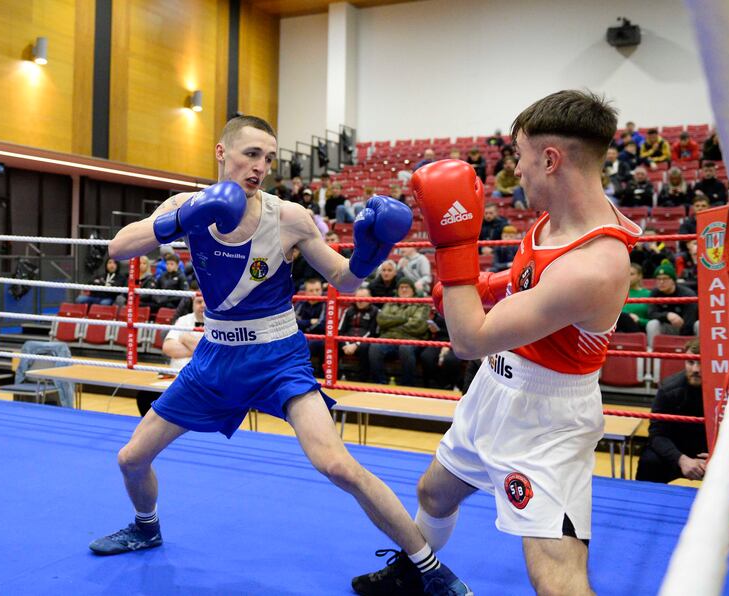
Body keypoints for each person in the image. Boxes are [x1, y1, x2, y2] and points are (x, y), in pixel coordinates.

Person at [94, 115, 470, 595]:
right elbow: (118, 248)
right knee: (131, 458)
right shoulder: (187, 206)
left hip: (278, 358)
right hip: (214, 359)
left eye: (269, 158)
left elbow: (347, 282)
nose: (261, 167)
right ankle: (145, 527)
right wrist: (185, 217)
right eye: (251, 154)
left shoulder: (288, 216)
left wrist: (370, 252)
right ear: (221, 153)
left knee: (336, 464)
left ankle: (429, 568)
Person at [353, 90, 642, 596]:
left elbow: (468, 339)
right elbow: (523, 284)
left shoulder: (595, 264)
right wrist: (481, 285)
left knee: (555, 576)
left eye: (520, 157)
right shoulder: (555, 219)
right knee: (434, 493)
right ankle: (417, 576)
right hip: (495, 388)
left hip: (546, 420)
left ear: (550, 159)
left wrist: (452, 248)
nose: (515, 170)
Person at [636, 339, 708, 483]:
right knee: (649, 462)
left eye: (701, 362)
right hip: (677, 449)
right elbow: (657, 434)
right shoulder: (668, 389)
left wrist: (719, 456)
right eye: (691, 362)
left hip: (710, 451)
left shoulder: (728, 389)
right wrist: (681, 459)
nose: (695, 369)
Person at [136, 291, 207, 417]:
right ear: (192, 302)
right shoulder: (183, 320)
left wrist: (185, 339)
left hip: (201, 381)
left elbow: (213, 355)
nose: (202, 305)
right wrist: (200, 350)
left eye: (205, 301)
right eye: (199, 302)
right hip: (175, 377)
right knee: (144, 395)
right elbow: (168, 347)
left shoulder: (218, 324)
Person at [367, 278, 430, 387]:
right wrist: (405, 319)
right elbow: (381, 320)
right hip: (390, 338)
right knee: (375, 347)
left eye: (407, 287)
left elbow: (418, 326)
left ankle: (407, 385)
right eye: (401, 287)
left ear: (413, 290)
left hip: (411, 339)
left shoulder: (421, 304)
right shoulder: (390, 303)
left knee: (405, 348)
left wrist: (393, 324)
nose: (404, 290)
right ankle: (379, 384)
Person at [645, 260, 698, 348]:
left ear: (673, 280)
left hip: (688, 328)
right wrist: (667, 315)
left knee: (699, 324)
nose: (661, 282)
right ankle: (654, 354)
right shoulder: (655, 292)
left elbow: (690, 320)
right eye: (658, 279)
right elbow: (651, 314)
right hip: (669, 328)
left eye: (665, 279)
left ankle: (699, 353)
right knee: (652, 324)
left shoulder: (687, 294)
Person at [337, 287, 377, 381]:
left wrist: (356, 345)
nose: (360, 301)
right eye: (358, 297)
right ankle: (333, 377)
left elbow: (372, 332)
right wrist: (346, 344)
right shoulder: (348, 311)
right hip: (347, 342)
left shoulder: (375, 311)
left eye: (363, 297)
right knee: (331, 345)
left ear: (370, 298)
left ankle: (362, 380)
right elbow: (340, 330)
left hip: (363, 342)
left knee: (366, 348)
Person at [295, 277, 326, 376]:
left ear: (321, 290)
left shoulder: (326, 303)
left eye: (317, 290)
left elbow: (323, 325)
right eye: (311, 291)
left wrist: (305, 326)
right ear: (306, 292)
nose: (315, 293)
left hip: (320, 337)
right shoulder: (300, 303)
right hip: (301, 335)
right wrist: (310, 322)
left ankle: (313, 373)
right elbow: (293, 322)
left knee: (312, 343)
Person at [615, 263, 652, 333]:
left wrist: (639, 320)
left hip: (638, 328)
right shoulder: (618, 293)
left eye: (631, 274)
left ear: (640, 276)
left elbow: (652, 320)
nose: (628, 277)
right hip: (618, 328)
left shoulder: (648, 294)